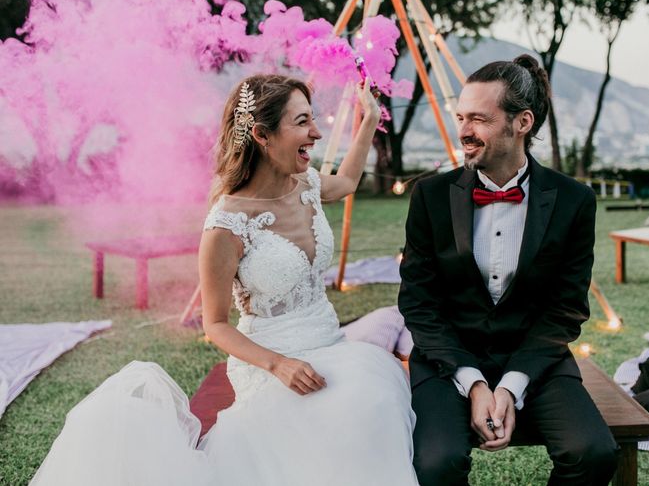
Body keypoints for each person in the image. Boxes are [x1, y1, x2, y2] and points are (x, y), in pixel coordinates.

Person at [32, 74, 418, 486]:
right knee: (332, 432)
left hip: (330, 345)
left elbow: (346, 182)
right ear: (262, 135)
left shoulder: (306, 183)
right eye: (302, 122)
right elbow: (215, 325)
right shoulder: (226, 224)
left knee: (373, 402)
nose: (316, 132)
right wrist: (279, 365)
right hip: (271, 364)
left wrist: (369, 118)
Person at [398, 55, 618, 485]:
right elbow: (419, 305)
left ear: (522, 123)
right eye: (461, 117)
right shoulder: (430, 196)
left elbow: (565, 309)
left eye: (479, 119)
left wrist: (511, 385)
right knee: (435, 463)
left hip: (536, 359)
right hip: (448, 361)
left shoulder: (574, 201)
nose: (464, 131)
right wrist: (475, 383)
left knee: (593, 453)